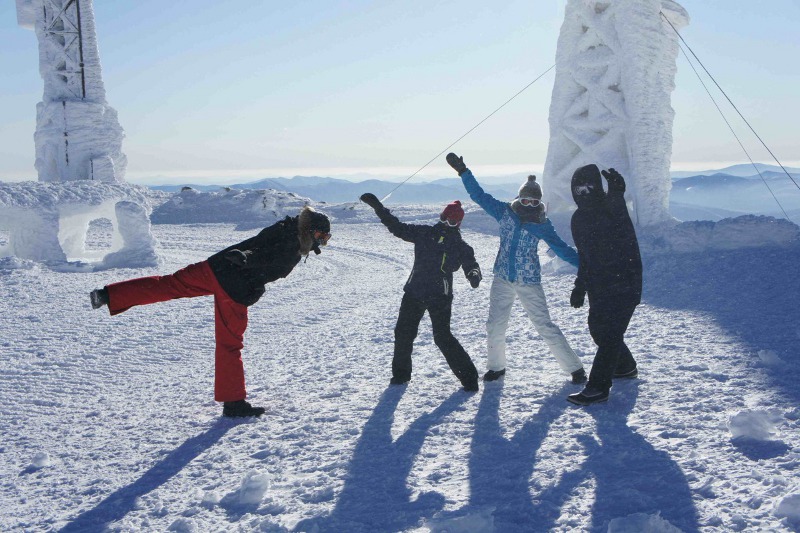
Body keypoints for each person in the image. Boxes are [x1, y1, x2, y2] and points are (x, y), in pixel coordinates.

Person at [88, 206, 332, 417]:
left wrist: (244, 257)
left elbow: (260, 247)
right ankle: (233, 403)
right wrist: (246, 259)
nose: (321, 241)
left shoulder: (285, 229)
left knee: (168, 284)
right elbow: (261, 254)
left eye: (326, 238)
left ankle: (110, 295)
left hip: (215, 268)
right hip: (234, 288)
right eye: (321, 235)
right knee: (229, 345)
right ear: (310, 229)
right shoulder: (290, 243)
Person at [446, 153, 587, 384]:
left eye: (534, 202)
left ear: (539, 202)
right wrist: (464, 171)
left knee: (543, 324)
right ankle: (496, 367)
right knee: (495, 324)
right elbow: (479, 195)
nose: (529, 205)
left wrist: (586, 266)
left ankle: (575, 369)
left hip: (528, 281)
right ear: (519, 198)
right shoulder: (505, 212)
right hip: (502, 277)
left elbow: (562, 249)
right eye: (525, 200)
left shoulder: (542, 224)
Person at [360, 193, 483, 392]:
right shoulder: (424, 233)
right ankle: (400, 376)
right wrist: (378, 208)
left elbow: (471, 263)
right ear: (440, 216)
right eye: (444, 218)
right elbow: (397, 227)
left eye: (451, 221)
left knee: (442, 336)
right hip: (415, 291)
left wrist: (473, 274)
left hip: (440, 296)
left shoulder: (460, 246)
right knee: (403, 333)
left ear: (458, 224)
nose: (446, 223)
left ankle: (470, 379)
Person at [566, 165, 642, 406]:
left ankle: (598, 388)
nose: (585, 192)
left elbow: (623, 226)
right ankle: (625, 367)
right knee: (598, 329)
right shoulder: (578, 218)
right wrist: (580, 286)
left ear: (598, 187)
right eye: (580, 188)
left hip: (625, 282)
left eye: (590, 186)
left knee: (610, 335)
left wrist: (617, 194)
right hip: (599, 285)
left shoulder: (611, 207)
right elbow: (586, 257)